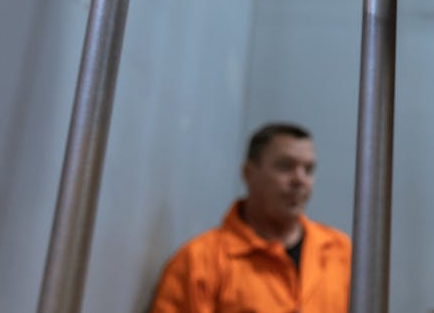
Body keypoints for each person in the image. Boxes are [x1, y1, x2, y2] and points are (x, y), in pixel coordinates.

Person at [150, 123, 350, 313]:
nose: (300, 180)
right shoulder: (200, 262)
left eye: (308, 169)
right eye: (285, 166)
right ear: (248, 173)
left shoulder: (341, 252)